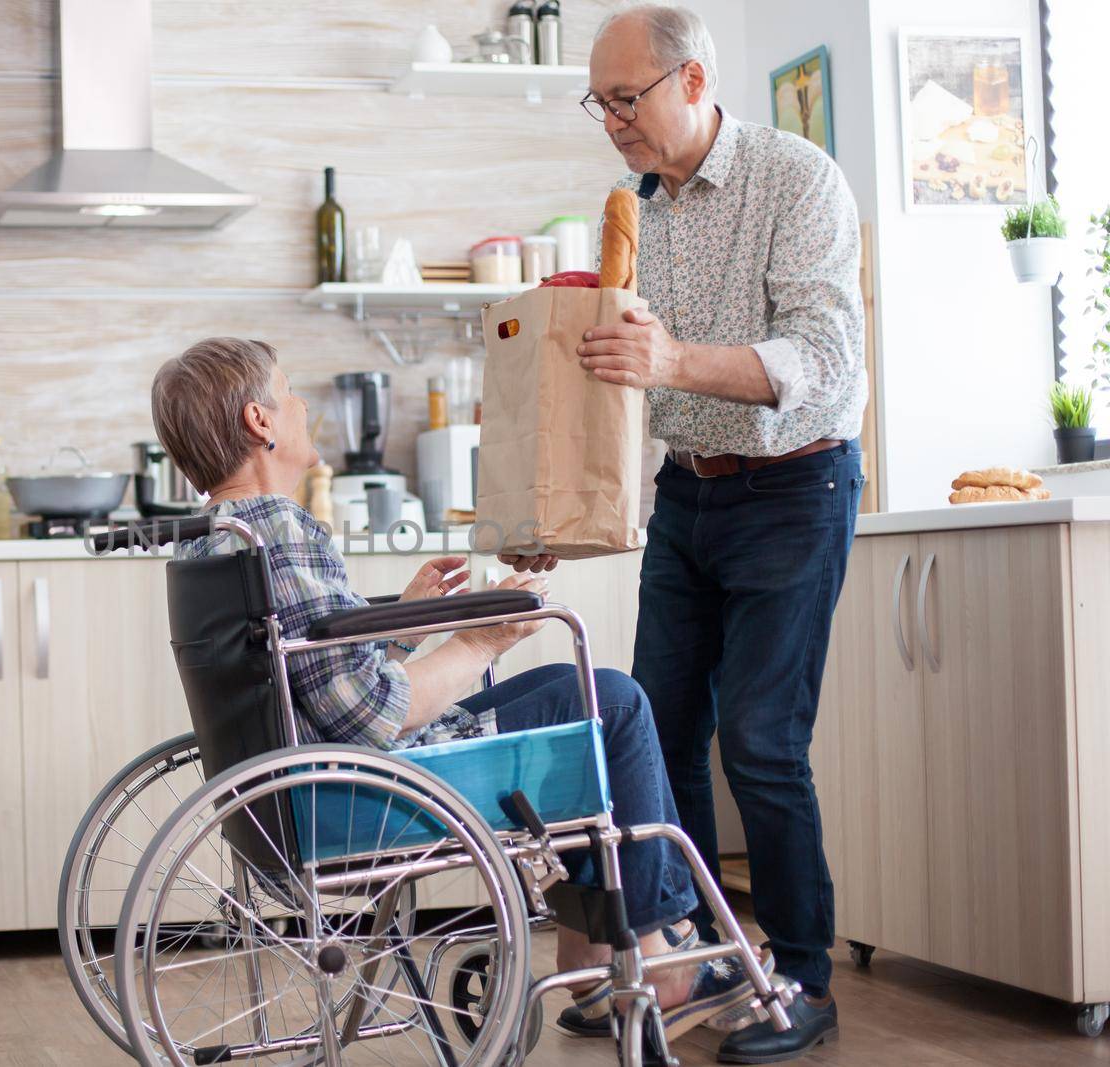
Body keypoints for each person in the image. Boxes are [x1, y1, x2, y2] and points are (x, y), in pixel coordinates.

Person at [149, 335, 774, 1044]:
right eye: (290, 393)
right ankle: (657, 952)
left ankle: (589, 949)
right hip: (370, 788)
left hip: (299, 788)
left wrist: (401, 627)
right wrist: (480, 641)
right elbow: (369, 717)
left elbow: (308, 680)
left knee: (577, 698)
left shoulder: (217, 539)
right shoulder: (282, 531)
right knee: (612, 701)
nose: (301, 407)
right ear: (261, 422)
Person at [517, 5, 865, 1062]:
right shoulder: (632, 209)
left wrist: (672, 362)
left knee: (761, 740)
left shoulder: (796, 179)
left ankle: (798, 973)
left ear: (696, 83)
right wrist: (551, 514)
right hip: (687, 496)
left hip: (793, 488)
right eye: (600, 102)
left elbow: (820, 359)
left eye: (627, 98)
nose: (612, 121)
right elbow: (624, 393)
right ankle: (688, 953)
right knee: (654, 736)